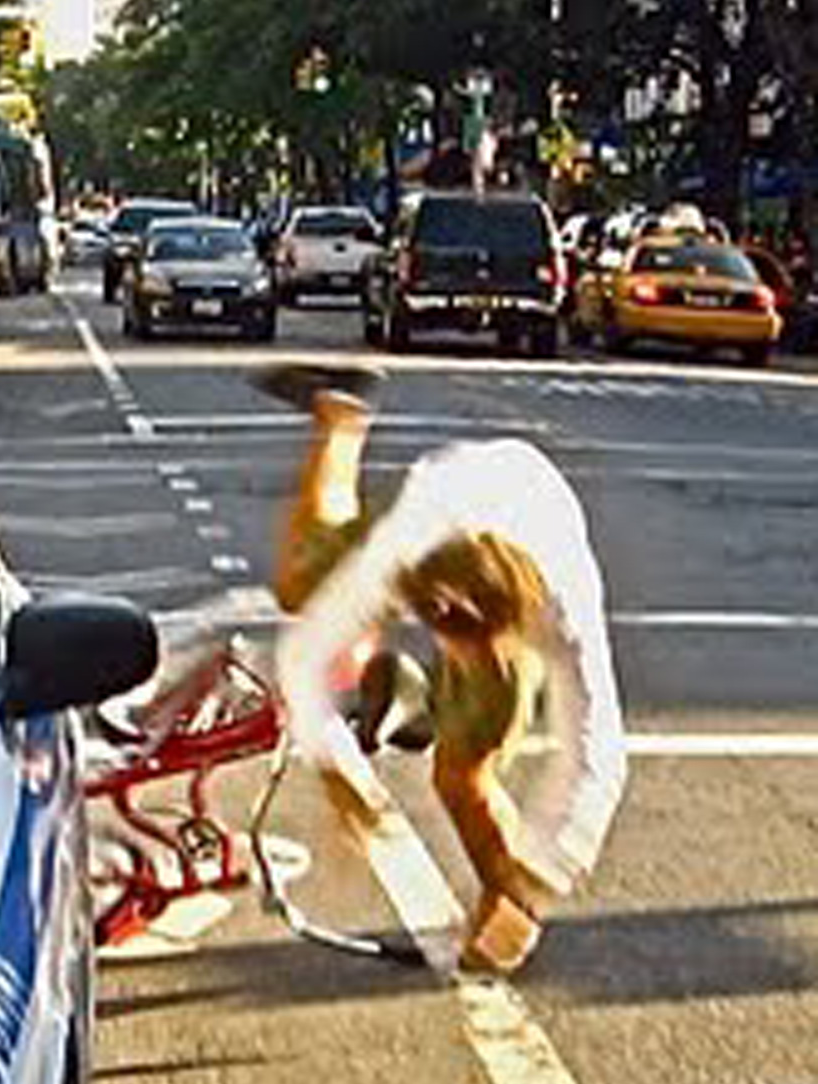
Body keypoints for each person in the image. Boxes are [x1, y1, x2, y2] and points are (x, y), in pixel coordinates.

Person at [264, 363, 627, 976]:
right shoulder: (396, 556)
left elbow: (599, 754)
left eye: (481, 648)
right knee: (300, 587)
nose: (471, 659)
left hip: (519, 512)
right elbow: (301, 659)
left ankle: (504, 910)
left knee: (463, 768)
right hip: (435, 505)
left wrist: (539, 882)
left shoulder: (565, 602)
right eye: (455, 644)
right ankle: (341, 418)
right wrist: (335, 771)